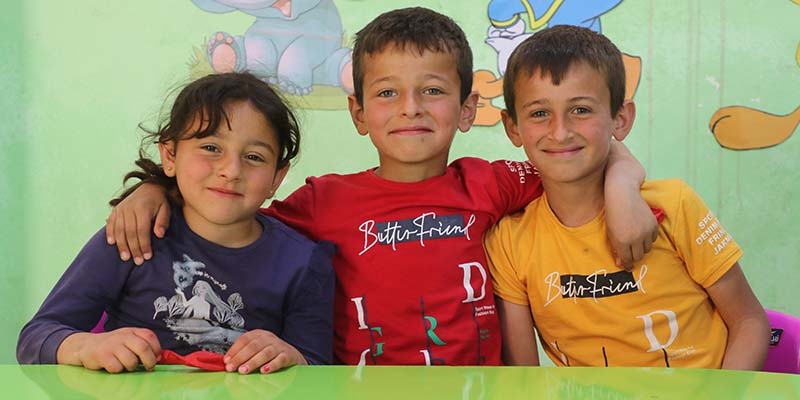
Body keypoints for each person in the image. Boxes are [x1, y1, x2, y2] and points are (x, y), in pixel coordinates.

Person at [103, 7, 659, 366]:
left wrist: (624, 189)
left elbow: (579, 153)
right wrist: (156, 189)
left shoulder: (489, 183)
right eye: (388, 93)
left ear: (467, 109)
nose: (411, 109)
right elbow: (230, 203)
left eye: (433, 91)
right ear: (358, 112)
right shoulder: (325, 201)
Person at [485, 25, 770, 369]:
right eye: (540, 113)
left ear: (620, 119)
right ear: (513, 127)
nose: (560, 132)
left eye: (581, 110)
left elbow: (750, 323)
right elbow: (523, 378)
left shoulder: (674, 205)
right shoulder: (508, 242)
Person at [17, 72, 336, 374]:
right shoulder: (133, 235)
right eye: (211, 148)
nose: (231, 170)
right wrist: (86, 346)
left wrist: (292, 358)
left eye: (254, 156)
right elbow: (36, 337)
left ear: (277, 178)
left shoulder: (304, 263)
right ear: (170, 156)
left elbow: (317, 368)